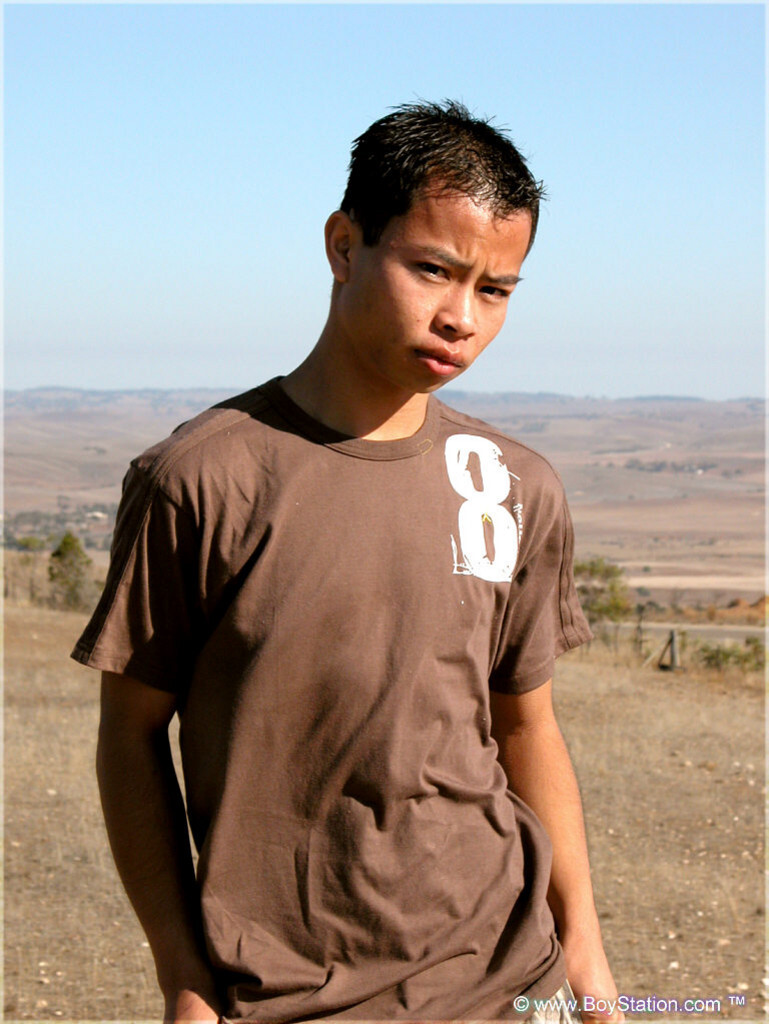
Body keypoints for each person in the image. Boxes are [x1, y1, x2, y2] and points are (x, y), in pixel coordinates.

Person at [73, 100, 621, 1024]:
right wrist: (183, 976)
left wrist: (588, 959)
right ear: (343, 245)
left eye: (495, 290)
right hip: (284, 992)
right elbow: (130, 739)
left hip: (506, 978)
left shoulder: (513, 484)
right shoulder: (201, 479)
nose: (460, 318)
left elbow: (526, 726)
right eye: (432, 269)